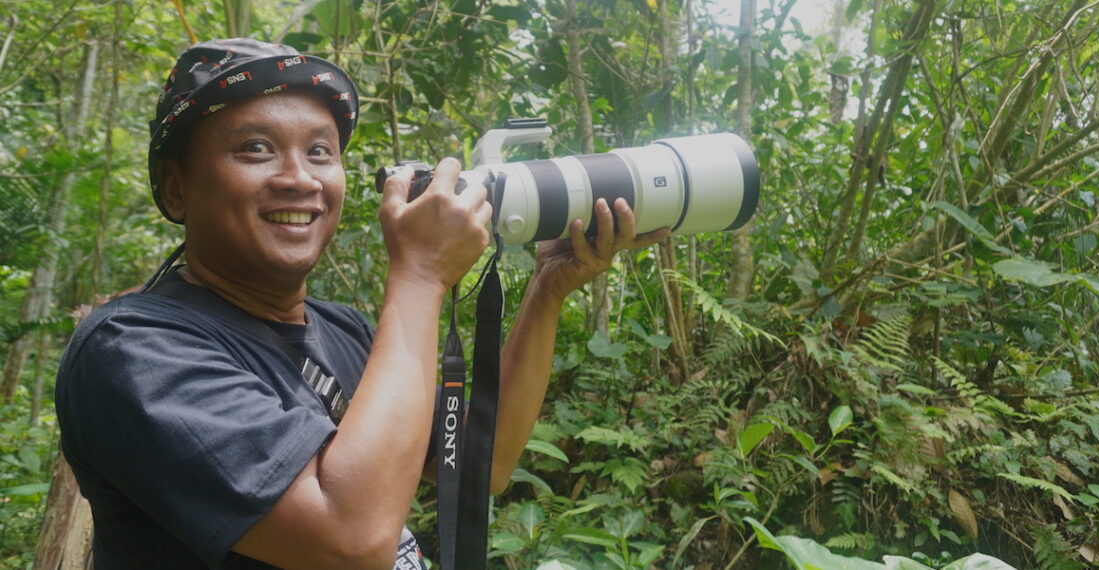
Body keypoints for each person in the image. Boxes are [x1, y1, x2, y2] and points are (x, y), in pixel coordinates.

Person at [54, 38, 668, 569]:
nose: (301, 177)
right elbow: (352, 541)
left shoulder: (339, 329)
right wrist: (421, 275)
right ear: (176, 188)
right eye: (256, 149)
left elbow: (488, 463)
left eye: (321, 152)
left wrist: (548, 288)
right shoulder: (134, 351)